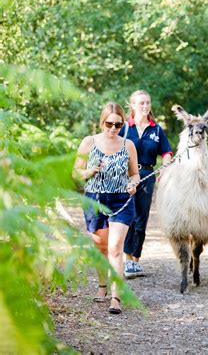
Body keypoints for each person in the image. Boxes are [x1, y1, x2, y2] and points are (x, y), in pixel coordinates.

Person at [73, 102, 140, 314]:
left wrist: (133, 184)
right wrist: (90, 171)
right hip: (94, 200)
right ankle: (102, 286)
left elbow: (134, 174)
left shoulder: (127, 145)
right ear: (102, 121)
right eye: (109, 123)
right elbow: (76, 172)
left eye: (118, 125)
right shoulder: (89, 142)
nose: (113, 128)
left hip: (121, 201)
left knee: (115, 248)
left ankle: (116, 297)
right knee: (101, 249)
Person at [119, 90, 172, 279]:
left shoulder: (156, 130)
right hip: (125, 176)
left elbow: (166, 152)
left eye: (147, 103)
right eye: (141, 103)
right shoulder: (124, 128)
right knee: (128, 216)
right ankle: (126, 259)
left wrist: (164, 168)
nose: (145, 106)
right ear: (132, 105)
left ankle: (136, 261)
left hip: (147, 175)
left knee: (142, 218)